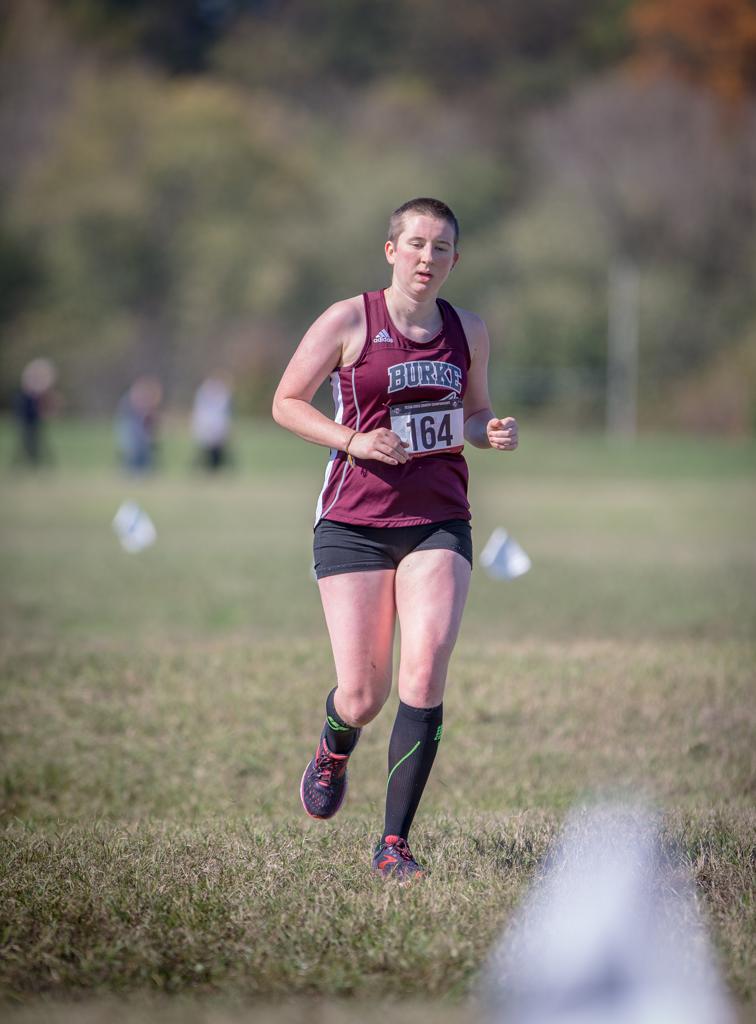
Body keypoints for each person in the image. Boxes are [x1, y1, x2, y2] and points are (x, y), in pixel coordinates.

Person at [272, 197, 518, 880]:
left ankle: (393, 844)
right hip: (353, 522)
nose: (426, 258)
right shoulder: (350, 319)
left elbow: (474, 413)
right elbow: (285, 401)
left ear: (454, 261)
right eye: (415, 244)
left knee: (426, 665)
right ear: (391, 250)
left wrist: (491, 431)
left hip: (438, 518)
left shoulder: (468, 330)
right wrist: (353, 439)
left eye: (441, 248)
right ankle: (333, 746)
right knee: (363, 695)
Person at [115, 375, 162, 473]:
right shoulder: (129, 400)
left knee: (142, 451)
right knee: (132, 451)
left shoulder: (143, 400)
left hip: (140, 434)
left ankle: (140, 471)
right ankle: (130, 471)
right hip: (132, 431)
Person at [191, 372, 233, 471]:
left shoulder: (222, 395)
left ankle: (215, 469)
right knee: (206, 451)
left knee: (217, 451)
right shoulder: (204, 394)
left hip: (216, 427)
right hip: (207, 426)